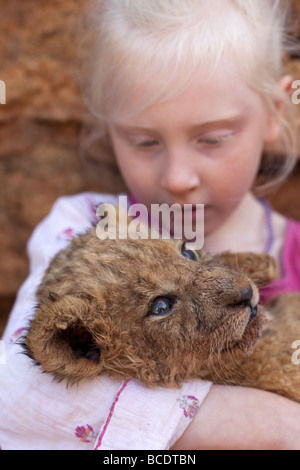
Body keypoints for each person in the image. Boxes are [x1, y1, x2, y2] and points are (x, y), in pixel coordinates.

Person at [1, 0, 300, 450]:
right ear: (109, 128)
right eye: (145, 141)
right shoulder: (84, 227)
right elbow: (16, 388)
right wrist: (262, 423)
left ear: (276, 111)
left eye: (212, 139)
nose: (177, 178)